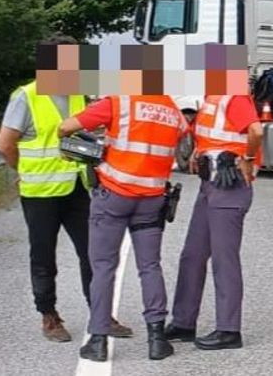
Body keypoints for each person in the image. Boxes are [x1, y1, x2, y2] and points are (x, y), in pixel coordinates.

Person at [0, 36, 133, 343]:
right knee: (43, 257)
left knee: (93, 253)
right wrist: (23, 170)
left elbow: (77, 137)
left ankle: (101, 315)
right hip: (40, 193)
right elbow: (4, 144)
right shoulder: (26, 96)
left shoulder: (75, 95)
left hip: (76, 189)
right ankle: (49, 317)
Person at [59, 94, 189, 362]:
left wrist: (99, 141)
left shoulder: (118, 103)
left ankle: (97, 341)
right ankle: (157, 340)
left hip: (113, 197)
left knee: (104, 267)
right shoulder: (171, 109)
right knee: (150, 266)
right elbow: (183, 138)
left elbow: (66, 127)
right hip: (152, 198)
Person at [163, 94, 263, 350]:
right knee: (192, 255)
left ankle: (229, 330)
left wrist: (247, 159)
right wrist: (200, 149)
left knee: (224, 259)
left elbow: (256, 131)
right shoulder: (212, 98)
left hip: (229, 187)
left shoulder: (235, 96)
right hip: (210, 185)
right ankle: (184, 322)